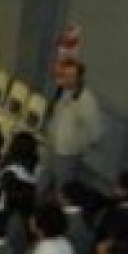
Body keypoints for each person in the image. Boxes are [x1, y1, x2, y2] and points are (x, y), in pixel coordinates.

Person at [41, 58, 103, 188]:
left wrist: (78, 143)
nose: (65, 78)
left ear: (79, 78)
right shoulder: (61, 90)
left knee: (63, 186)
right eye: (64, 75)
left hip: (67, 152)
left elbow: (95, 131)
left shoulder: (86, 100)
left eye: (70, 76)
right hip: (52, 144)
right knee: (43, 177)